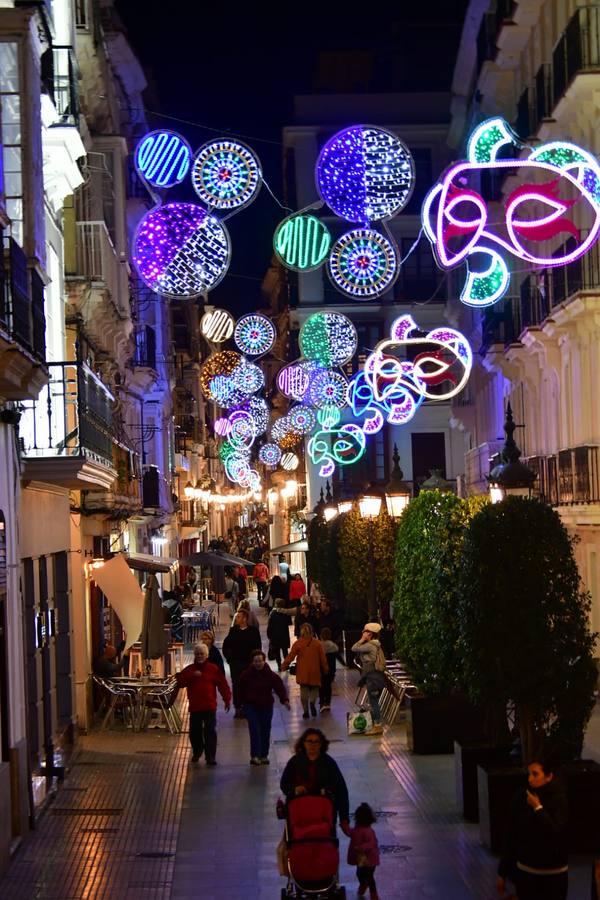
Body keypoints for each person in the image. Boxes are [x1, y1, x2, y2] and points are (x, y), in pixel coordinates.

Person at [497, 756, 569, 900]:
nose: (530, 779)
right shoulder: (521, 798)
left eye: (535, 774)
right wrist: (502, 872)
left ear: (549, 777)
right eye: (529, 774)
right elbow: (511, 836)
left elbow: (556, 832)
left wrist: (538, 808)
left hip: (554, 874)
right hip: (527, 872)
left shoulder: (559, 800)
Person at [280, 727, 350, 827]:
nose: (312, 745)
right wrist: (294, 789)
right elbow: (284, 784)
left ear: (321, 744)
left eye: (316, 742)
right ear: (304, 743)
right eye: (309, 741)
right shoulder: (295, 761)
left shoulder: (328, 762)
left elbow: (341, 790)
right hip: (300, 810)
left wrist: (344, 818)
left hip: (323, 811)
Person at [176, 642, 231, 764]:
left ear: (206, 655)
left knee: (210, 731)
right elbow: (180, 681)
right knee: (194, 731)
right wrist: (192, 676)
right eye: (197, 654)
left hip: (209, 706)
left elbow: (222, 685)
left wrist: (227, 699)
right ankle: (197, 751)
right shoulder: (190, 669)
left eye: (202, 654)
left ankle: (210, 756)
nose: (199, 656)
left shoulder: (213, 669)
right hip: (195, 707)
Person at [239, 649, 290, 765]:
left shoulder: (270, 675)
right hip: (251, 706)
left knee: (265, 730)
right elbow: (240, 690)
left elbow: (279, 687)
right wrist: (239, 705)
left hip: (266, 706)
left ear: (264, 661)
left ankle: (264, 755)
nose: (258, 664)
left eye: (260, 661)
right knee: (254, 730)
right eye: (255, 661)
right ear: (252, 662)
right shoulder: (246, 675)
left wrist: (285, 700)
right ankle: (255, 755)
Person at [282, 623, 328, 719]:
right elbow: (323, 658)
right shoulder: (317, 643)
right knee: (315, 689)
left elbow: (291, 656)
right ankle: (312, 702)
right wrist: (325, 668)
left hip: (303, 671)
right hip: (315, 670)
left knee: (304, 690)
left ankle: (306, 711)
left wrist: (284, 665)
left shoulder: (298, 643)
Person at [222, 609, 262, 718]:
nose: (236, 619)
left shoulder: (253, 632)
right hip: (235, 663)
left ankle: (247, 707)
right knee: (236, 686)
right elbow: (226, 645)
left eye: (238, 617)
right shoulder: (233, 631)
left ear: (245, 618)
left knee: (248, 686)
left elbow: (258, 647)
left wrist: (255, 662)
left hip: (248, 664)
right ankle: (238, 707)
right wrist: (230, 659)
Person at [352, 623, 386, 735]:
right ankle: (376, 724)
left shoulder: (370, 645)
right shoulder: (375, 644)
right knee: (373, 700)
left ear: (370, 634)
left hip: (373, 678)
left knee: (374, 701)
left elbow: (354, 648)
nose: (363, 633)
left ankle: (377, 725)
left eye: (365, 632)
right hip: (374, 677)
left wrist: (362, 639)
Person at [347, 802, 380, 900]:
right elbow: (352, 833)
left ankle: (373, 894)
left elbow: (372, 843)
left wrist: (362, 847)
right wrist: (345, 828)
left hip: (370, 859)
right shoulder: (358, 829)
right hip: (361, 858)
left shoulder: (368, 831)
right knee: (359, 873)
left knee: (369, 876)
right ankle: (363, 884)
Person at [267, 599, 293, 671]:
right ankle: (286, 665)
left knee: (277, 652)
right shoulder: (285, 613)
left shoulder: (272, 613)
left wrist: (269, 635)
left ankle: (279, 665)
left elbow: (270, 625)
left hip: (275, 636)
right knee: (285, 651)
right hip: (284, 635)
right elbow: (289, 622)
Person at [319, 627, 338, 711]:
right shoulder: (333, 646)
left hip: (321, 669)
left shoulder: (319, 645)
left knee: (321, 685)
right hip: (331, 669)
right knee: (328, 685)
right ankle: (328, 702)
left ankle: (322, 701)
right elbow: (338, 656)